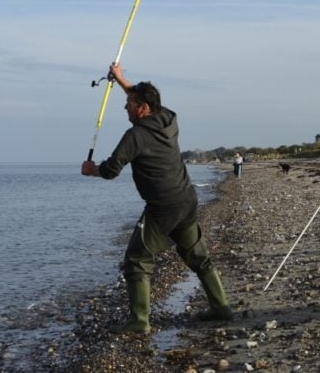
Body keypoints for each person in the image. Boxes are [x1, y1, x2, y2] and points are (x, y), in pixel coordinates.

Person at [81, 63, 232, 334]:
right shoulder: (169, 119)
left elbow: (111, 170)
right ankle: (221, 308)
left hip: (163, 206)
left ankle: (139, 323)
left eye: (130, 103)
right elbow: (146, 99)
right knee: (197, 257)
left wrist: (92, 170)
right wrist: (122, 80)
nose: (125, 106)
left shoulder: (135, 136)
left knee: (136, 261)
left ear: (143, 108)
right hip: (186, 199)